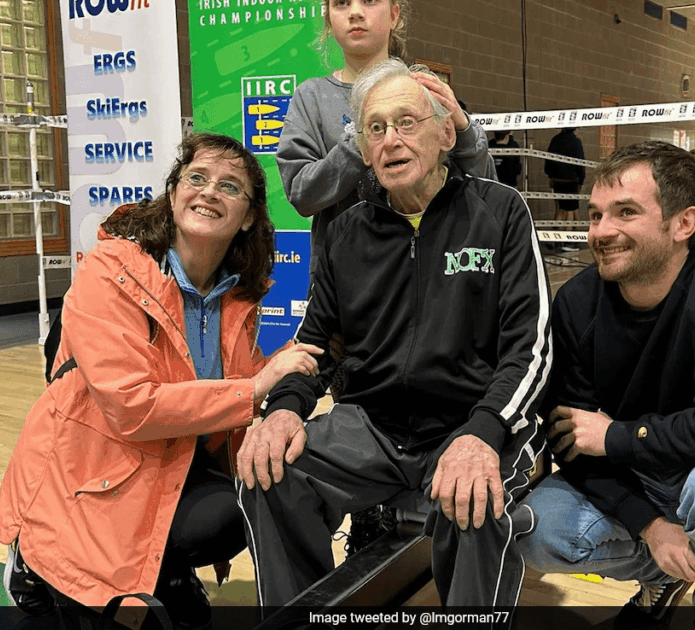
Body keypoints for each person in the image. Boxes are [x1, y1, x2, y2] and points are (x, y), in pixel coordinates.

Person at [237, 59, 552, 611]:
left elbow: (531, 344)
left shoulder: (499, 211)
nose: (390, 140)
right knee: (269, 472)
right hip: (373, 427)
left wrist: (484, 431)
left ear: (445, 134)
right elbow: (314, 338)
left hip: (471, 417)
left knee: (474, 496)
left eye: (406, 122)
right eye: (375, 129)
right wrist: (284, 408)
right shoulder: (346, 233)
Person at [0, 133, 324, 629]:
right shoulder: (110, 271)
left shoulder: (236, 295)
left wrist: (282, 381)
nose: (210, 192)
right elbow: (131, 405)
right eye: (197, 178)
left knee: (245, 504)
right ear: (173, 194)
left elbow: (230, 382)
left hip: (172, 458)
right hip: (93, 469)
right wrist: (255, 390)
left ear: (249, 216)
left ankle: (162, 569)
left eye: (230, 186)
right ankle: (34, 562)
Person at [519, 141, 695, 630]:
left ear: (683, 223)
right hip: (640, 481)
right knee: (536, 530)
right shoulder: (578, 303)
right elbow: (570, 439)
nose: (602, 232)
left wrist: (616, 436)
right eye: (595, 215)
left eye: (625, 212)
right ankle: (666, 572)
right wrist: (649, 526)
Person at [276, 0, 495, 280]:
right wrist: (363, 137)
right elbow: (302, 195)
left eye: (369, 1)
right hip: (346, 279)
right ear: (329, 22)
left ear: (394, 15)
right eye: (341, 3)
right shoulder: (311, 97)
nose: (355, 12)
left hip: (431, 271)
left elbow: (487, 187)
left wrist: (463, 129)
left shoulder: (423, 88)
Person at [544, 127, 585, 251]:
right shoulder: (576, 142)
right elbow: (580, 162)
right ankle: (568, 242)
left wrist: (551, 176)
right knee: (570, 211)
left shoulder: (555, 140)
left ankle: (553, 238)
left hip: (557, 180)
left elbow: (548, 160)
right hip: (570, 180)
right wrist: (581, 180)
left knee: (561, 209)